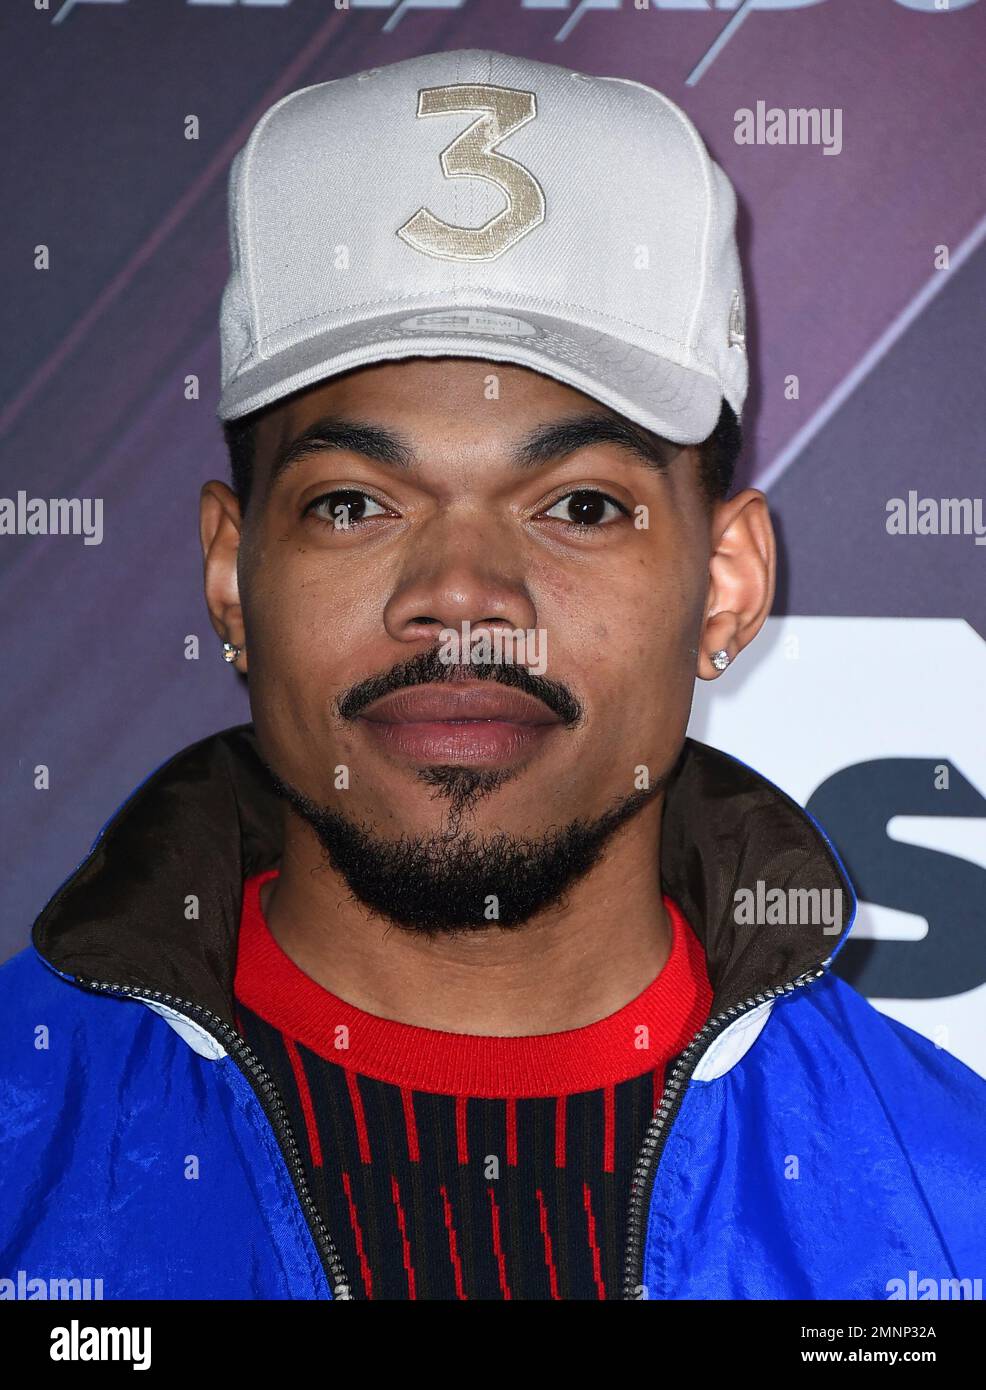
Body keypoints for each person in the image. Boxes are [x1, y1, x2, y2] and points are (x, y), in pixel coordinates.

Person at [2, 48, 983, 1303]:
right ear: (232, 575)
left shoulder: (948, 1213)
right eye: (354, 502)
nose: (462, 591)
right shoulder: (23, 1143)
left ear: (725, 586)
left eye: (578, 504)